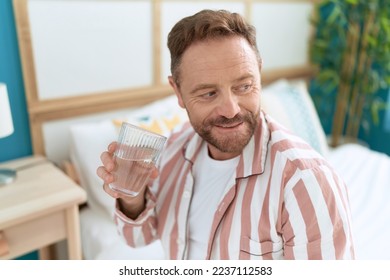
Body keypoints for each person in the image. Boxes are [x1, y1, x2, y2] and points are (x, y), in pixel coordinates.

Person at [97, 9, 354, 260]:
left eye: (244, 86)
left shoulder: (304, 182)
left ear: (259, 73)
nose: (231, 110)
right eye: (209, 93)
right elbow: (138, 238)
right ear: (177, 92)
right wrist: (132, 198)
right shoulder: (174, 148)